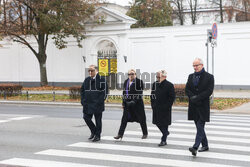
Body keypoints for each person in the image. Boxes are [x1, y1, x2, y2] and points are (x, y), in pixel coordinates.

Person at [185, 58, 214, 156]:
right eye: (193, 65)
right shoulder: (190, 76)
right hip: (193, 106)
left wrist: (197, 98)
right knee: (199, 127)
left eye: (197, 65)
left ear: (202, 65)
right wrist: (192, 97)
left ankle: (195, 147)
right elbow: (187, 89)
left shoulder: (209, 77)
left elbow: (209, 91)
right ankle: (205, 145)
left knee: (200, 126)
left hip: (203, 106)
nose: (195, 67)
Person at [114, 69, 148, 140]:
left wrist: (133, 101)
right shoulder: (126, 81)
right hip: (127, 104)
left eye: (132, 74)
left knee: (141, 119)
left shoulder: (139, 82)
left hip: (137, 104)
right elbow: (124, 93)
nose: (131, 75)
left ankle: (145, 133)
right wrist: (123, 102)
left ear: (135, 74)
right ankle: (120, 134)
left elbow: (139, 93)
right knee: (124, 119)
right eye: (129, 74)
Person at [80, 65, 108, 142]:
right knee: (86, 118)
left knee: (98, 120)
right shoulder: (87, 79)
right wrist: (82, 100)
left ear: (96, 71)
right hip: (87, 104)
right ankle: (94, 131)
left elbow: (105, 91)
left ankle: (97, 135)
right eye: (89, 70)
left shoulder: (102, 79)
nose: (90, 72)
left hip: (97, 104)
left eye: (92, 70)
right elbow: (82, 90)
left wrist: (100, 101)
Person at [151, 70, 175, 146]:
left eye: (159, 77)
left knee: (165, 124)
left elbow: (172, 98)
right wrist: (152, 105)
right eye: (157, 77)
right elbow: (152, 95)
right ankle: (165, 133)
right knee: (157, 123)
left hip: (165, 108)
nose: (157, 78)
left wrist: (167, 106)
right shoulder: (155, 84)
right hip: (156, 107)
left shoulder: (169, 85)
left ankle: (163, 140)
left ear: (164, 77)